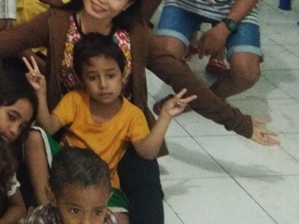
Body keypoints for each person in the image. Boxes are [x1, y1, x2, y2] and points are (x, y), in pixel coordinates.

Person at [0, 0, 279, 224]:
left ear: (128, 4)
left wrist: (240, 123)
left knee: (147, 202)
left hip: (123, 135)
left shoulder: (136, 35)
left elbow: (186, 80)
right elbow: (7, 40)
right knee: (45, 178)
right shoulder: (58, 22)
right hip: (66, 133)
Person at [25, 36, 194, 224]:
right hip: (66, 171)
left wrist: (165, 117)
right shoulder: (75, 100)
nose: (103, 85)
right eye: (92, 77)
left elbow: (146, 153)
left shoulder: (132, 114)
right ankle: (46, 208)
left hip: (100, 184)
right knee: (34, 136)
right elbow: (47, 127)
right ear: (82, 80)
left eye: (110, 75)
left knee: (121, 219)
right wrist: (40, 93)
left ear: (123, 74)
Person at [19, 146, 120, 224]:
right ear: (52, 197)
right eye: (75, 211)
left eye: (97, 212)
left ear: (107, 199)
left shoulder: (108, 219)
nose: (86, 222)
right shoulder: (41, 219)